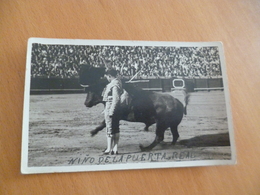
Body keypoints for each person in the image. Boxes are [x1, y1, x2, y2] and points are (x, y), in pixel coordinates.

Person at [102, 68, 123, 155]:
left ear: (110, 76)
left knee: (110, 128)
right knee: (116, 128)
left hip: (111, 108)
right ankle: (115, 148)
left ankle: (109, 149)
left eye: (107, 76)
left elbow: (116, 99)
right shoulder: (117, 83)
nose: (106, 78)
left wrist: (110, 111)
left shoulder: (114, 84)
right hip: (116, 108)